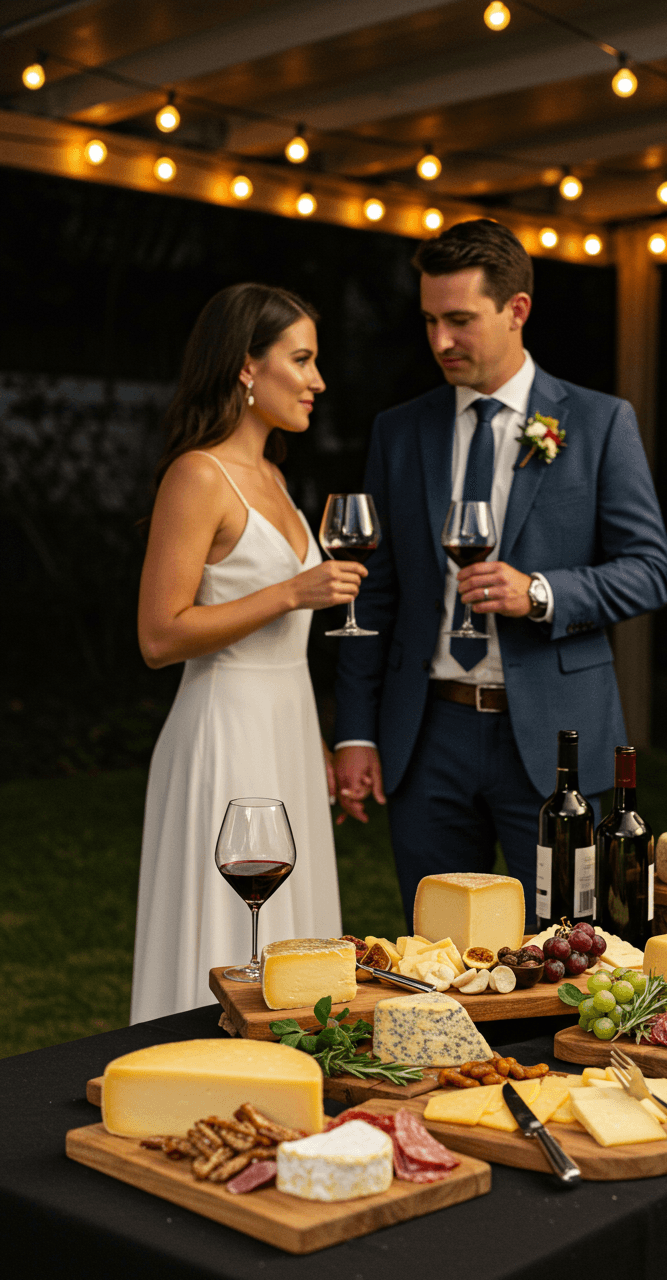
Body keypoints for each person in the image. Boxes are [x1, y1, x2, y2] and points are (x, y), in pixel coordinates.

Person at [332, 219, 667, 928]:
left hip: (556, 745)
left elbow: (651, 571)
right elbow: (380, 590)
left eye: (460, 320)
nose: (439, 341)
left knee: (573, 950)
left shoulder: (600, 422)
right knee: (434, 956)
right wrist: (356, 732)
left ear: (517, 309)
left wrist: (541, 593)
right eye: (429, 320)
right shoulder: (400, 431)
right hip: (426, 736)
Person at [130, 283, 365, 1022]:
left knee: (295, 943)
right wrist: (292, 593)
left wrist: (319, 743)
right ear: (245, 366)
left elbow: (285, 645)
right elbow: (160, 636)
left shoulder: (278, 482)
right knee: (229, 929)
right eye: (301, 359)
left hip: (288, 731)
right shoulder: (199, 475)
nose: (317, 381)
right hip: (224, 732)